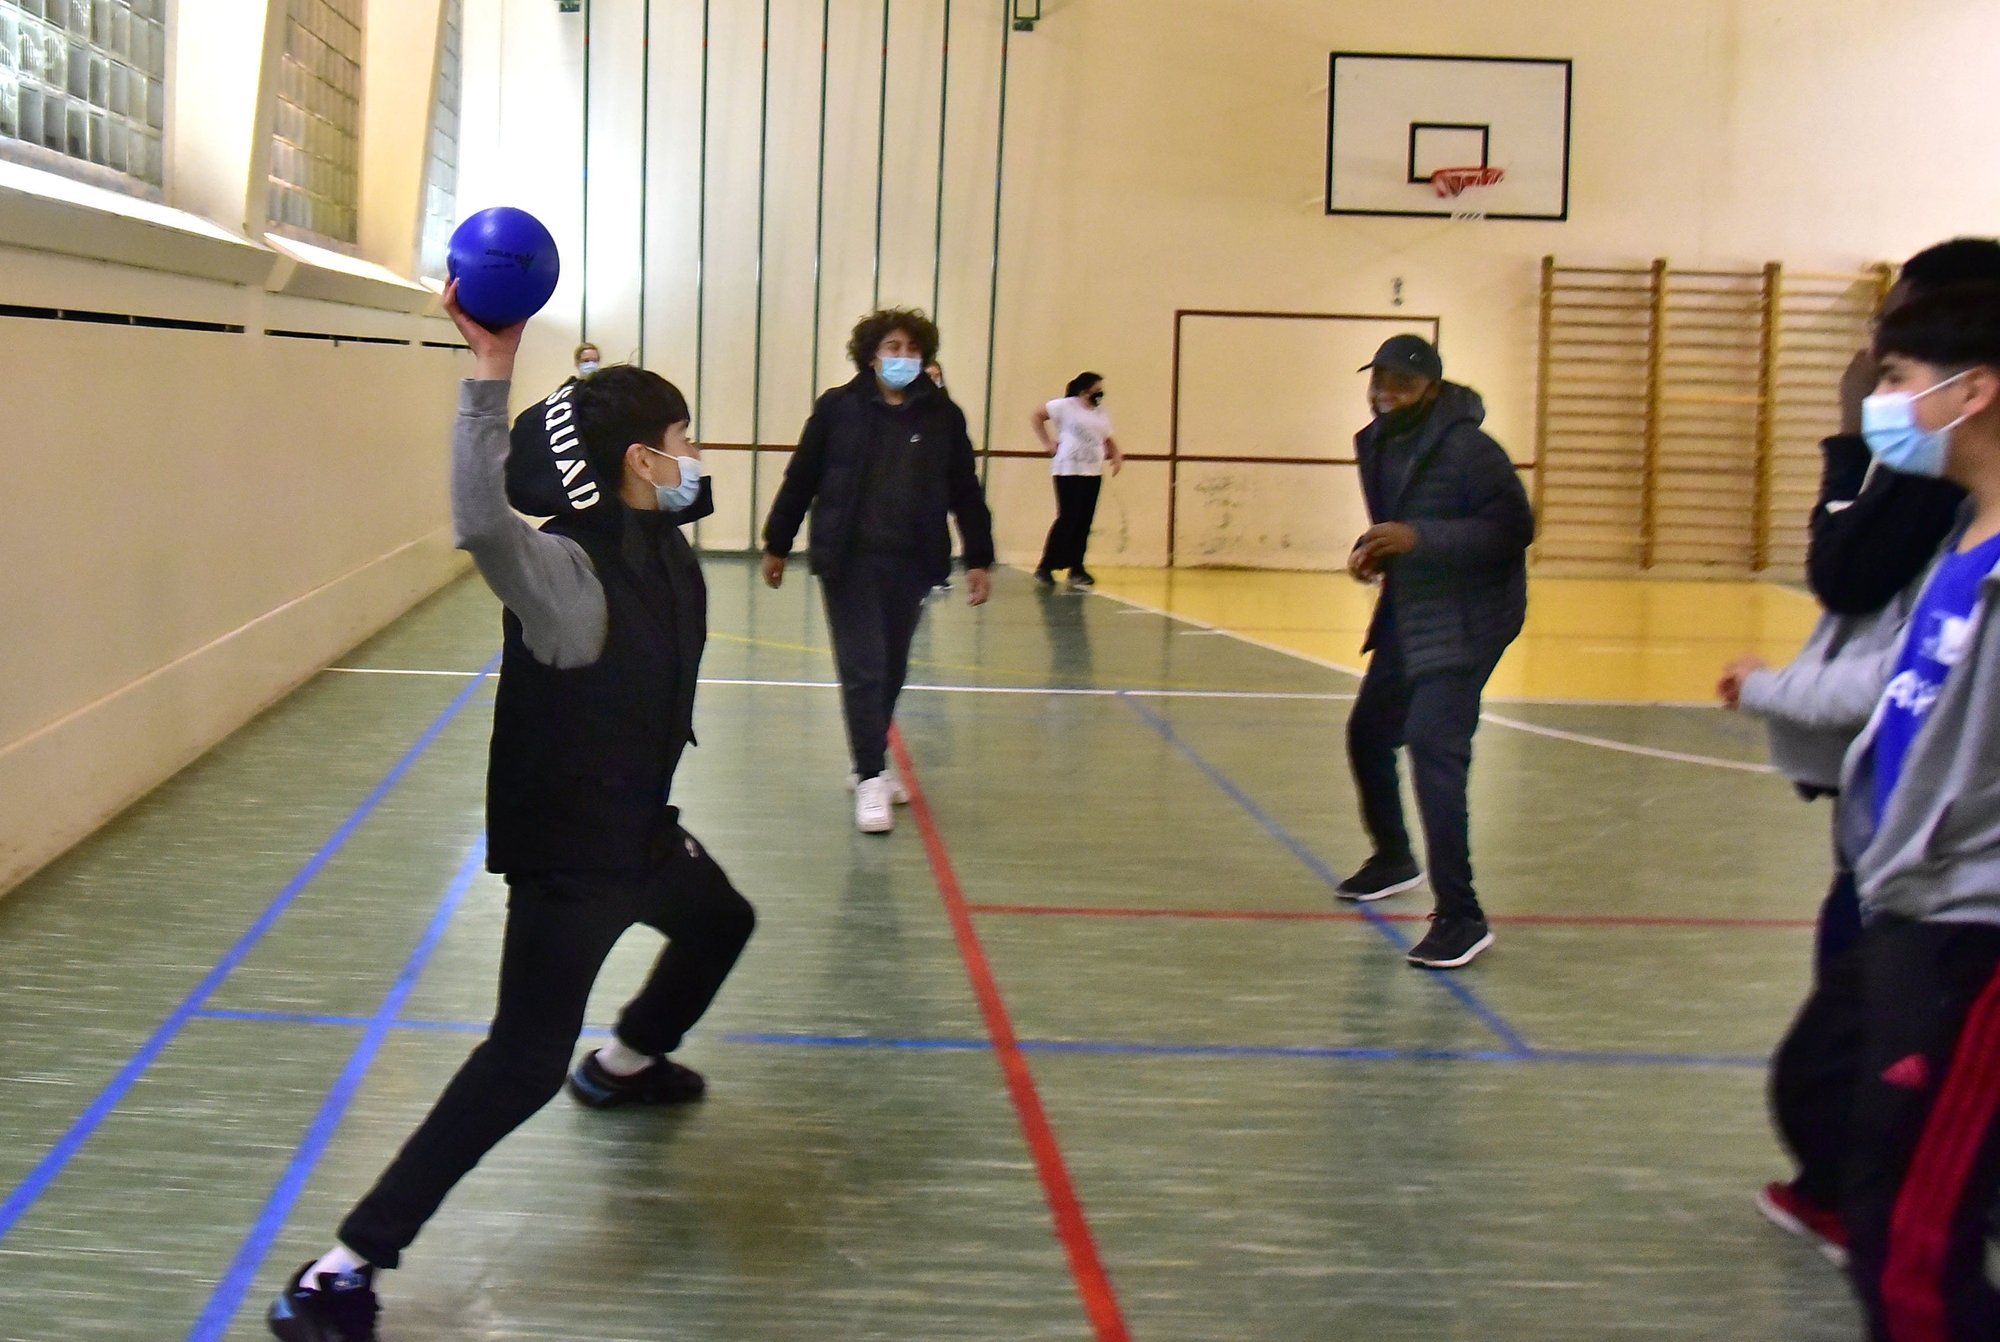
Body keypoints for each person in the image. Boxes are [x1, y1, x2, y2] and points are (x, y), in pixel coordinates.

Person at [267, 288, 755, 1342]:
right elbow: (482, 519)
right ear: (637, 458)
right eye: (681, 439)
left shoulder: (655, 536)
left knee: (720, 920)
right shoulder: (566, 575)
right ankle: (338, 1274)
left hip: (641, 833)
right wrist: (493, 369)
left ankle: (623, 1064)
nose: (695, 453)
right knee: (520, 1061)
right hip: (574, 864)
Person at [1719, 282, 2000, 1340]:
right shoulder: (1957, 553)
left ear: (1969, 393)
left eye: (1890, 381)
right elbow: (1892, 695)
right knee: (1888, 1229)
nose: (1874, 402)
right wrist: (1772, 693)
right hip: (1909, 913)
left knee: (1916, 1266)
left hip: (1970, 937)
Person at [1334, 335, 1535, 970]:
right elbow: (1400, 528)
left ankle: (1461, 915)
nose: (1385, 391)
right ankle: (1393, 856)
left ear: (1432, 387)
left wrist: (1419, 537)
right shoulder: (1379, 442)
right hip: (1414, 612)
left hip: (1473, 617)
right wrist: (1376, 552)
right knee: (1368, 732)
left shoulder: (1470, 449)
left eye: (1401, 382)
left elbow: (1513, 529)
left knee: (1432, 745)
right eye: (1379, 379)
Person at [760, 308, 996, 835]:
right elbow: (802, 477)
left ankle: (866, 757)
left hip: (912, 562)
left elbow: (965, 490)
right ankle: (870, 775)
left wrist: (978, 557)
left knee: (890, 668)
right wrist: (777, 542)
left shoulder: (942, 416)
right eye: (893, 348)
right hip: (849, 560)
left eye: (912, 350)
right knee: (863, 667)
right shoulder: (838, 409)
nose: (903, 358)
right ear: (871, 353)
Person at [1031, 371, 1123, 587]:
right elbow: (1036, 416)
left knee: (1084, 520)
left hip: (1092, 471)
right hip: (1068, 469)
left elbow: (1107, 437)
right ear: (1084, 391)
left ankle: (1076, 567)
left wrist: (1116, 454)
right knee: (1067, 517)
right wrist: (1047, 442)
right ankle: (1046, 565)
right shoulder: (1065, 406)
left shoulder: (1100, 413)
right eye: (1096, 390)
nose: (1100, 394)